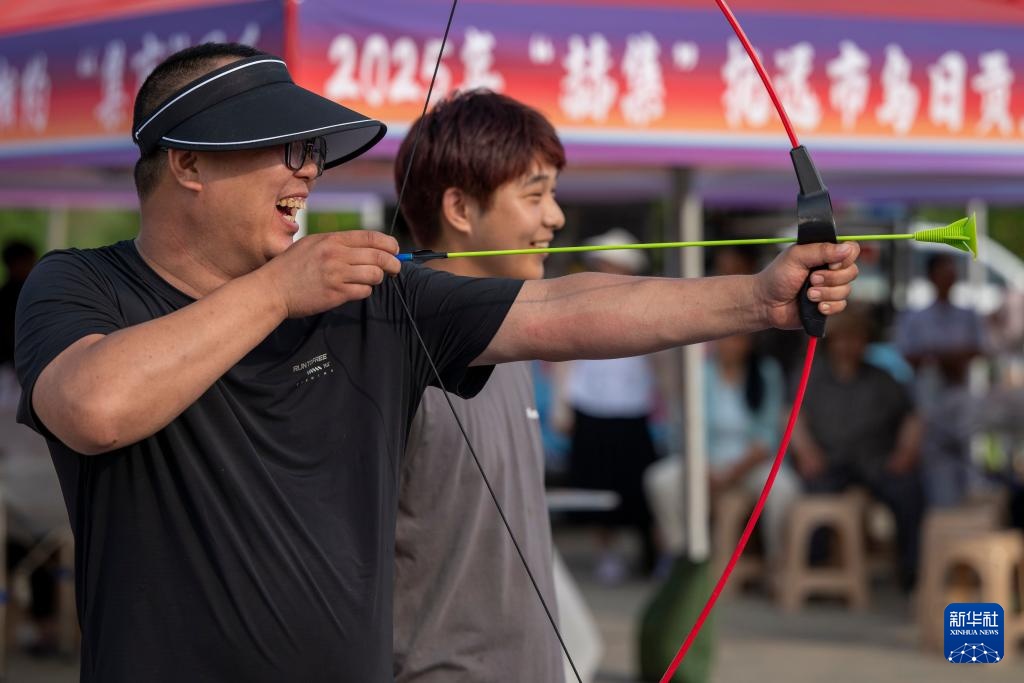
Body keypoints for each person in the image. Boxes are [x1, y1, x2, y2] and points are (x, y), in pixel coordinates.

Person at [13, 43, 860, 683]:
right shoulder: (82, 284)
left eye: (314, 149)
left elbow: (562, 307)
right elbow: (95, 406)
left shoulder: (362, 297)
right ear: (186, 163)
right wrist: (276, 293)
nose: (308, 171)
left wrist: (756, 299)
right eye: (284, 147)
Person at [392, 89, 570, 683]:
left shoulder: (515, 337)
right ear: (460, 210)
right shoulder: (389, 345)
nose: (556, 216)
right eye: (535, 195)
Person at [791, 307, 923, 589]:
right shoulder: (814, 377)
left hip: (876, 461)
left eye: (856, 338)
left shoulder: (883, 378)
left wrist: (905, 453)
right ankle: (817, 572)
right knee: (814, 502)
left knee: (909, 491)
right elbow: (792, 417)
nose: (849, 345)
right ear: (832, 341)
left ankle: (910, 572)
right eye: (842, 338)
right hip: (829, 461)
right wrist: (806, 451)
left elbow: (912, 417)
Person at [563, 229, 663, 583]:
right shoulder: (583, 301)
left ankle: (650, 555)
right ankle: (607, 554)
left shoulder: (646, 304)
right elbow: (570, 355)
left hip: (631, 409)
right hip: (591, 406)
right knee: (596, 486)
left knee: (638, 488)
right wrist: (564, 404)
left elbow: (656, 360)